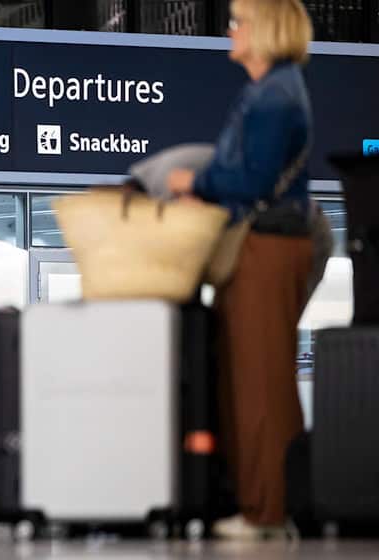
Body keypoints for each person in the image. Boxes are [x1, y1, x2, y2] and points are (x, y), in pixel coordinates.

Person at [167, 0, 314, 540]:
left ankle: (266, 510)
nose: (229, 31)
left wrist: (194, 185)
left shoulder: (275, 98)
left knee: (261, 383)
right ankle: (265, 504)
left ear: (266, 31)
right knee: (253, 378)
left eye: (237, 22)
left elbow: (250, 180)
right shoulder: (267, 92)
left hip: (267, 247)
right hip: (259, 244)